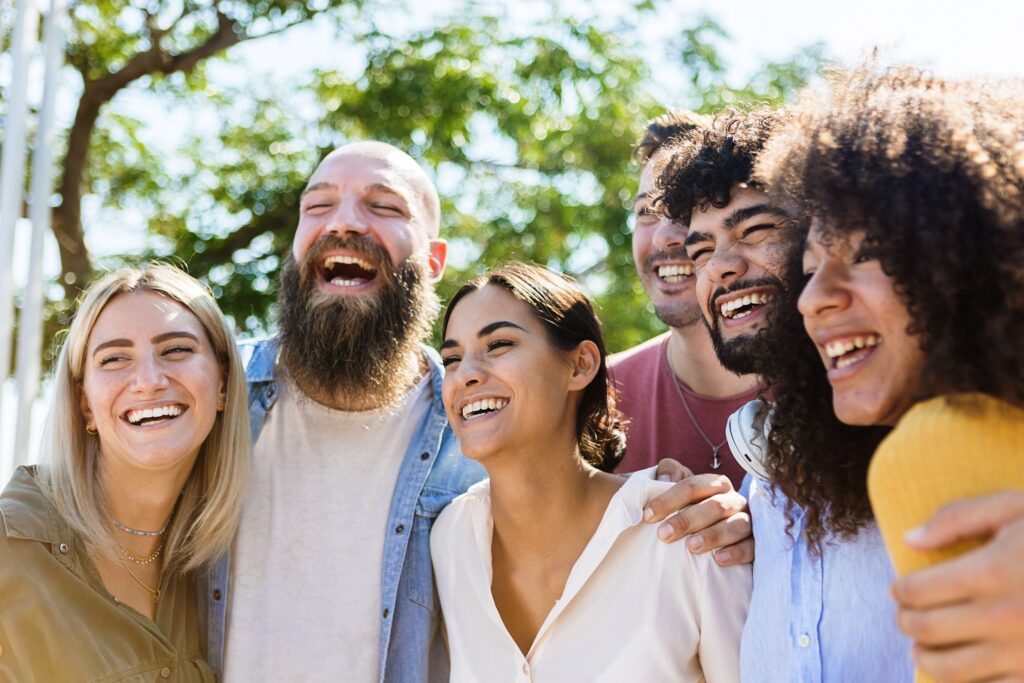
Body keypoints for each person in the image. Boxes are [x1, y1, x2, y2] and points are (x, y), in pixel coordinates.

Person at [207, 140, 756, 682]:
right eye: (318, 205)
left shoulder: (673, 531)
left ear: (432, 260)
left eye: (384, 205)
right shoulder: (213, 402)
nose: (344, 222)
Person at [757, 66, 1024, 682]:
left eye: (868, 251)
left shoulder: (937, 443)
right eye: (810, 264)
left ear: (966, 257)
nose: (811, 298)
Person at [662, 108, 915, 681]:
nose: (721, 268)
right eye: (700, 252)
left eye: (756, 231)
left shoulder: (942, 433)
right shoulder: (763, 483)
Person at [433, 262, 750, 682]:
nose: (466, 375)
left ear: (580, 365)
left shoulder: (689, 538)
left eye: (499, 344)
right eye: (451, 359)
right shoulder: (450, 540)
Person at [0, 263, 249, 681]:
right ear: (84, 404)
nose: (148, 381)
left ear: (222, 385)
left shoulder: (220, 564)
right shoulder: (11, 556)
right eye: (115, 359)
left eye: (176, 350)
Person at [610, 110, 760, 494]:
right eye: (646, 212)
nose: (663, 236)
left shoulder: (827, 384)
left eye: (682, 209)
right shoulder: (597, 396)